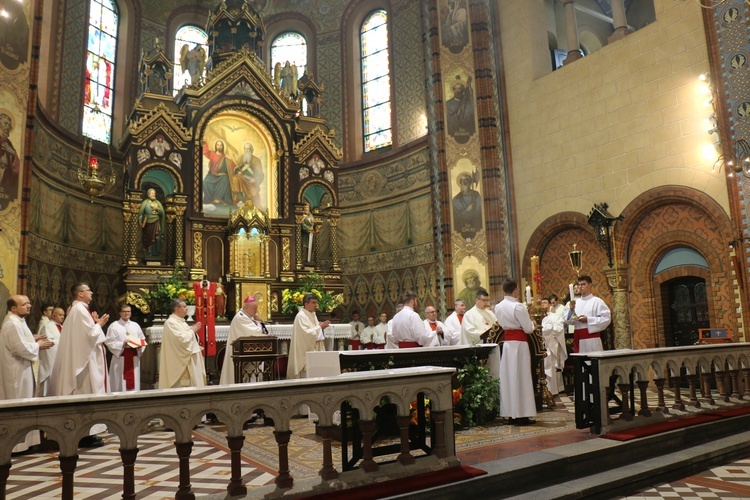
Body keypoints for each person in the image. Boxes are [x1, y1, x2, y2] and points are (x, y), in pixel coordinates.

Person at [48, 283, 110, 447]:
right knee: (85, 392)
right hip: (84, 364)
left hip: (85, 360)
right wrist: (100, 324)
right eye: (88, 290)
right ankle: (84, 433)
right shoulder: (80, 310)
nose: (91, 292)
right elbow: (89, 336)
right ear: (80, 294)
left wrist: (95, 323)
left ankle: (86, 431)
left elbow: (86, 333)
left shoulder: (78, 309)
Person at [0, 295, 54, 453]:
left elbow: (20, 341)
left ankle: (25, 442)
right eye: (24, 304)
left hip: (22, 369)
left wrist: (32, 338)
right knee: (19, 403)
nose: (29, 306)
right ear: (13, 308)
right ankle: (17, 445)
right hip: (17, 371)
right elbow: (19, 348)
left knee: (26, 403)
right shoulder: (12, 323)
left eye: (29, 303)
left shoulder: (18, 321)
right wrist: (37, 345)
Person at [495, 279, 537, 426]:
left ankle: (511, 414)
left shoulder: (498, 307)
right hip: (519, 345)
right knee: (522, 377)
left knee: (509, 378)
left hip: (507, 345)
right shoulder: (518, 306)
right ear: (515, 290)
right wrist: (532, 322)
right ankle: (522, 414)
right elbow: (528, 329)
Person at [159, 299, 206, 389]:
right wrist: (193, 330)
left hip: (191, 359)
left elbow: (188, 337)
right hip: (181, 362)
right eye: (184, 307)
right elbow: (182, 339)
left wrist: (193, 334)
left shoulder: (180, 321)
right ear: (177, 309)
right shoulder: (170, 323)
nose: (187, 309)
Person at [220, 296, 266, 384]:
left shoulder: (248, 316)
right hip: (241, 353)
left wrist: (259, 321)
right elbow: (255, 332)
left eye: (256, 308)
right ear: (246, 307)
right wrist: (259, 324)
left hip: (249, 352)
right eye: (254, 308)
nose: (256, 311)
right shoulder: (241, 317)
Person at [287, 293, 330, 379]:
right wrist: (319, 327)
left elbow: (314, 329)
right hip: (305, 354)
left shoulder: (313, 314)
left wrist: (320, 326)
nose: (316, 305)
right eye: (313, 303)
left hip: (314, 350)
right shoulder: (301, 316)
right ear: (306, 304)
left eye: (316, 303)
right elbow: (306, 334)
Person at [104, 304, 147, 392]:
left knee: (134, 380)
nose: (126, 313)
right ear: (120, 313)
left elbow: (142, 339)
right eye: (124, 311)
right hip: (120, 358)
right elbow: (109, 342)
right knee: (120, 381)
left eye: (128, 311)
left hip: (134, 357)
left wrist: (139, 345)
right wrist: (123, 343)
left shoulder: (135, 325)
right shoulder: (114, 326)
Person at [565, 276, 611, 353]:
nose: (580, 287)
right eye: (579, 285)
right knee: (580, 363)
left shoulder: (597, 301)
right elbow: (568, 321)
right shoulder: (575, 303)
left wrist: (588, 320)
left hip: (592, 339)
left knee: (592, 363)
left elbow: (606, 319)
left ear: (590, 285)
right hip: (578, 339)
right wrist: (571, 310)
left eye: (583, 284)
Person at [541, 297, 566, 395]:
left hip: (551, 345)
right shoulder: (538, 316)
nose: (543, 304)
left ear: (550, 305)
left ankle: (551, 390)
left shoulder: (555, 317)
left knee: (550, 367)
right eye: (542, 303)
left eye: (545, 302)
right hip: (541, 344)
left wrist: (546, 329)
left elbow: (558, 329)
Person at [37, 307, 64, 397]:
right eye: (60, 315)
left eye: (63, 315)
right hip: (51, 360)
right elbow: (48, 342)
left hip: (61, 358)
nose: (62, 317)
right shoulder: (47, 327)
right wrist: (64, 344)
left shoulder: (62, 327)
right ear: (53, 316)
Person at [202, 139, 236, 206]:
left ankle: (217, 198)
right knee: (206, 181)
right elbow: (205, 152)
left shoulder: (225, 156)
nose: (219, 146)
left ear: (222, 147)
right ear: (216, 146)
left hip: (222, 175)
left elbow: (233, 166)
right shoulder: (212, 154)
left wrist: (230, 159)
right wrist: (205, 143)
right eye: (218, 145)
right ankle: (209, 199)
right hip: (212, 174)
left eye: (220, 145)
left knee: (225, 180)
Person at [232, 142, 264, 208]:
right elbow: (236, 169)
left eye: (248, 149)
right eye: (245, 149)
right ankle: (241, 199)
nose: (247, 150)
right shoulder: (241, 158)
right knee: (236, 178)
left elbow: (259, 173)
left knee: (254, 195)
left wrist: (255, 179)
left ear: (251, 150)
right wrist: (238, 172)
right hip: (241, 178)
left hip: (251, 181)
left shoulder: (256, 160)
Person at [445, 75, 475, 143]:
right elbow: (447, 119)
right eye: (455, 89)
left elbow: (472, 115)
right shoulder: (448, 104)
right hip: (455, 131)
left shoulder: (469, 102)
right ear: (453, 90)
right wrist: (457, 115)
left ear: (463, 90)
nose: (458, 91)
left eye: (459, 89)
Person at [453, 172, 483, 239]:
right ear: (460, 183)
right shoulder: (456, 199)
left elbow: (479, 213)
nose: (465, 183)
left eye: (467, 180)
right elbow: (456, 217)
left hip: (476, 228)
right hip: (461, 229)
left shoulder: (476, 196)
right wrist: (467, 210)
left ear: (470, 182)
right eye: (462, 181)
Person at [0, 112, 20, 210]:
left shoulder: (9, 144)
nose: (8, 127)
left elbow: (18, 168)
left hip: (6, 181)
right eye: (5, 123)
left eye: (9, 124)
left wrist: (13, 153)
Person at [137, 188, 165, 257]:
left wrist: (157, 209)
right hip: (147, 223)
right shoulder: (145, 203)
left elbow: (162, 213)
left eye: (154, 193)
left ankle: (156, 253)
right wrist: (140, 221)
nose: (153, 194)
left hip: (156, 222)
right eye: (152, 193)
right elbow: (141, 213)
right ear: (148, 194)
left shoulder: (157, 203)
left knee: (157, 238)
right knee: (148, 239)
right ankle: (148, 254)